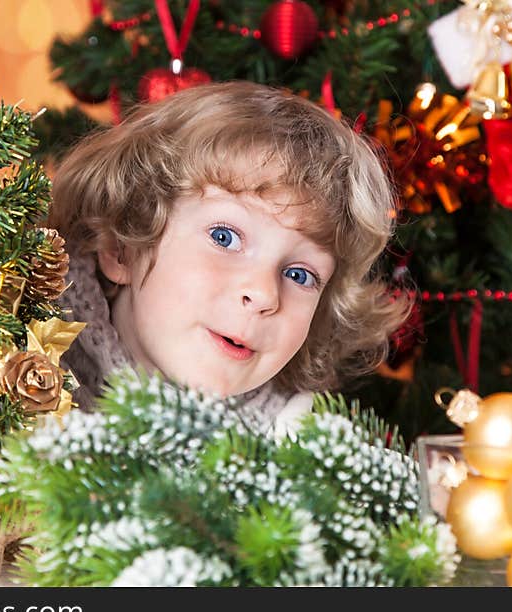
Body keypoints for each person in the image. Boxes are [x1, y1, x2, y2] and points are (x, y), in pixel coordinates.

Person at [48, 80, 409, 431]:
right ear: (122, 249)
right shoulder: (16, 372)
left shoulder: (296, 448)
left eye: (300, 275)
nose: (264, 295)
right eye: (225, 237)